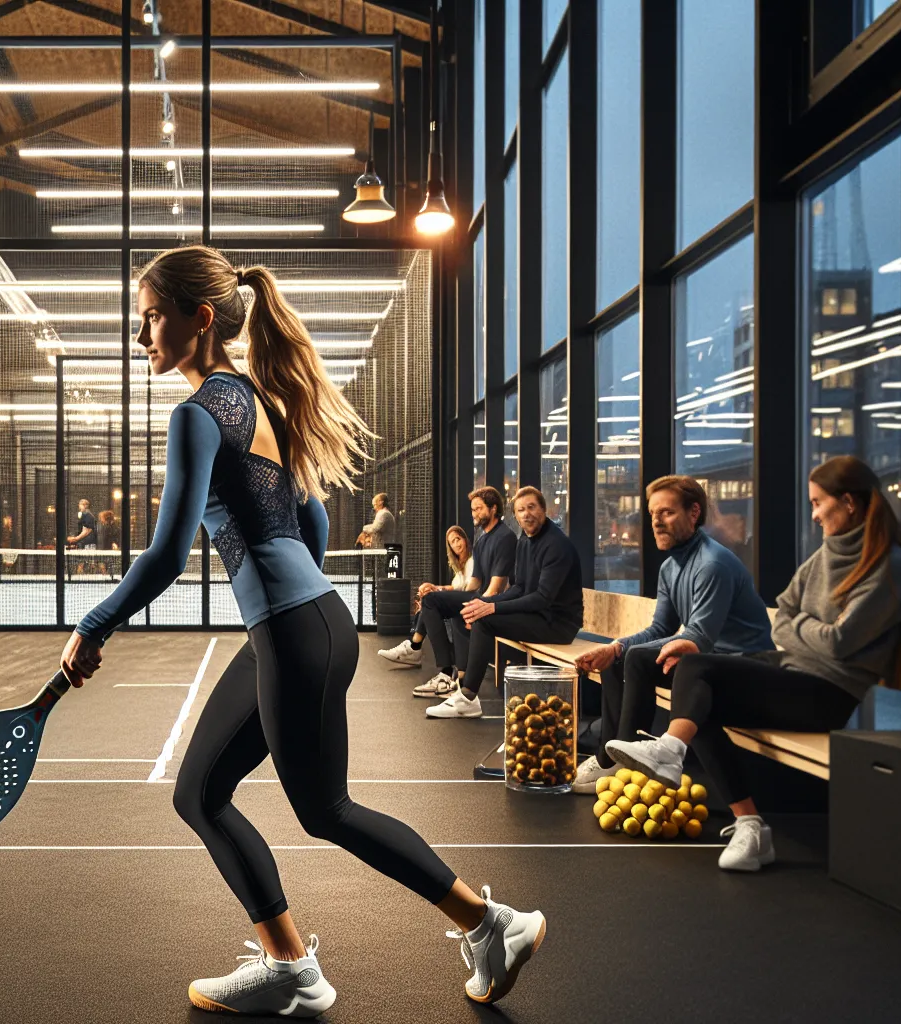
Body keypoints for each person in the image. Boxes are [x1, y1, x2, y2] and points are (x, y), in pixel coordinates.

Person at [58, 246, 546, 1014]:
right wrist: (288, 604)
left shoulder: (197, 415)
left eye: (150, 317)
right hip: (306, 623)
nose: (140, 334)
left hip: (292, 631)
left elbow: (167, 553)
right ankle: (289, 964)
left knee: (326, 811)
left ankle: (490, 924)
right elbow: (310, 519)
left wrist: (94, 627)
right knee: (201, 792)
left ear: (200, 317)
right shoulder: (262, 401)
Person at [606, 456, 901, 872]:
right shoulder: (827, 554)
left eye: (818, 503)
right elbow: (783, 617)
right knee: (696, 689)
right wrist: (809, 628)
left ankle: (670, 750)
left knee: (697, 669)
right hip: (793, 672)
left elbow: (839, 643)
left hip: (830, 693)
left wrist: (802, 626)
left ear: (848, 502)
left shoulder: (889, 565)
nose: (813, 514)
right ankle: (750, 826)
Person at [569, 476, 774, 793]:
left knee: (635, 657)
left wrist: (627, 649)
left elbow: (698, 636)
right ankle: (610, 753)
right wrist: (616, 647)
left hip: (744, 666)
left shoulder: (712, 563)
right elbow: (661, 628)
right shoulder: (670, 568)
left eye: (667, 512)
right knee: (616, 657)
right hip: (704, 663)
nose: (656, 522)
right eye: (653, 514)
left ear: (694, 513)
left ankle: (627, 756)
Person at [430, 487, 581, 719]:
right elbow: (519, 587)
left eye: (531, 507)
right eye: (520, 510)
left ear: (543, 509)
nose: (526, 514)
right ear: (515, 515)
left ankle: (467, 698)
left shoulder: (556, 545)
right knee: (479, 614)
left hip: (557, 624)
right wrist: (484, 603)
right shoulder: (524, 541)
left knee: (485, 621)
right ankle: (465, 689)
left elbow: (542, 598)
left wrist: (492, 607)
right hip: (539, 616)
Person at [389, 489, 518, 701]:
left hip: (496, 603)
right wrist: (450, 598)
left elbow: (496, 588)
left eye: (479, 509)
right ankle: (456, 678)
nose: (474, 513)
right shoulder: (481, 540)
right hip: (480, 596)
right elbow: (475, 582)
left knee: (436, 603)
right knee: (433, 599)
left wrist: (475, 608)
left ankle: (442, 669)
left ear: (493, 509)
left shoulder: (505, 537)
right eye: (472, 510)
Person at [377, 524, 473, 671]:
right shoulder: (460, 567)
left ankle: (415, 647)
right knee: (428, 600)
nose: (456, 544)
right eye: (452, 542)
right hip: (460, 603)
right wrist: (434, 587)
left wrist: (436, 594)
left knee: (429, 601)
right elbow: (455, 588)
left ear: (465, 539)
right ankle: (414, 647)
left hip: (470, 604)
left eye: (458, 539)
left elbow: (468, 590)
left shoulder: (472, 562)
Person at [67, 497, 99, 574]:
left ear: (85, 506)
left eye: (80, 505)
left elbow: (86, 531)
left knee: (88, 563)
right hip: (86, 542)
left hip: (88, 543)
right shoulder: (86, 515)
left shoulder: (87, 515)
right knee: (84, 562)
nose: (79, 507)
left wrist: (75, 539)